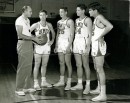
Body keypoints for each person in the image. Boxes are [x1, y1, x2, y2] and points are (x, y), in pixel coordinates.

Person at [15, 6, 44, 96]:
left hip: (28, 43)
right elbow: (20, 34)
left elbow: (27, 33)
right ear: (24, 11)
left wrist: (35, 37)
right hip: (22, 44)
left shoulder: (27, 20)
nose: (31, 13)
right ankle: (18, 88)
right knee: (22, 66)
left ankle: (26, 87)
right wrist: (33, 38)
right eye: (30, 11)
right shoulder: (19, 20)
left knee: (28, 66)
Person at [88, 2, 113, 101]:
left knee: (100, 69)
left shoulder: (99, 17)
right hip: (95, 46)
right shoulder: (96, 19)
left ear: (95, 10)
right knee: (96, 68)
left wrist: (100, 37)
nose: (89, 11)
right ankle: (99, 89)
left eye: (90, 10)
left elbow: (110, 26)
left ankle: (103, 95)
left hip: (98, 46)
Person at [31, 10, 55, 90]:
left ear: (46, 16)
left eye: (43, 15)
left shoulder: (49, 24)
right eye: (40, 15)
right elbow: (27, 33)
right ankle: (35, 83)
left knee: (44, 65)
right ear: (39, 16)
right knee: (37, 65)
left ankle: (43, 82)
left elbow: (53, 32)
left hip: (47, 47)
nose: (42, 17)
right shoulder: (36, 25)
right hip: (38, 47)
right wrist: (34, 40)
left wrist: (52, 40)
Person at [70, 4, 92, 93]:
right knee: (78, 65)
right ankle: (79, 84)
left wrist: (88, 46)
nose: (76, 12)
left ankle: (88, 86)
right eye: (76, 10)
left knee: (85, 65)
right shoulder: (76, 20)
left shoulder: (88, 20)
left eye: (78, 10)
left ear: (83, 11)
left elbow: (90, 34)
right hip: (77, 42)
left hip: (84, 42)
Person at [53, 7, 74, 90]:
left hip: (67, 43)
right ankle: (61, 81)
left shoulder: (70, 21)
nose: (60, 13)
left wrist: (69, 46)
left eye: (62, 12)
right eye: (59, 12)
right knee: (61, 62)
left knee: (68, 63)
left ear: (66, 12)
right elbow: (58, 34)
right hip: (60, 43)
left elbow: (72, 34)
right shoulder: (59, 22)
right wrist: (56, 45)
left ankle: (68, 83)